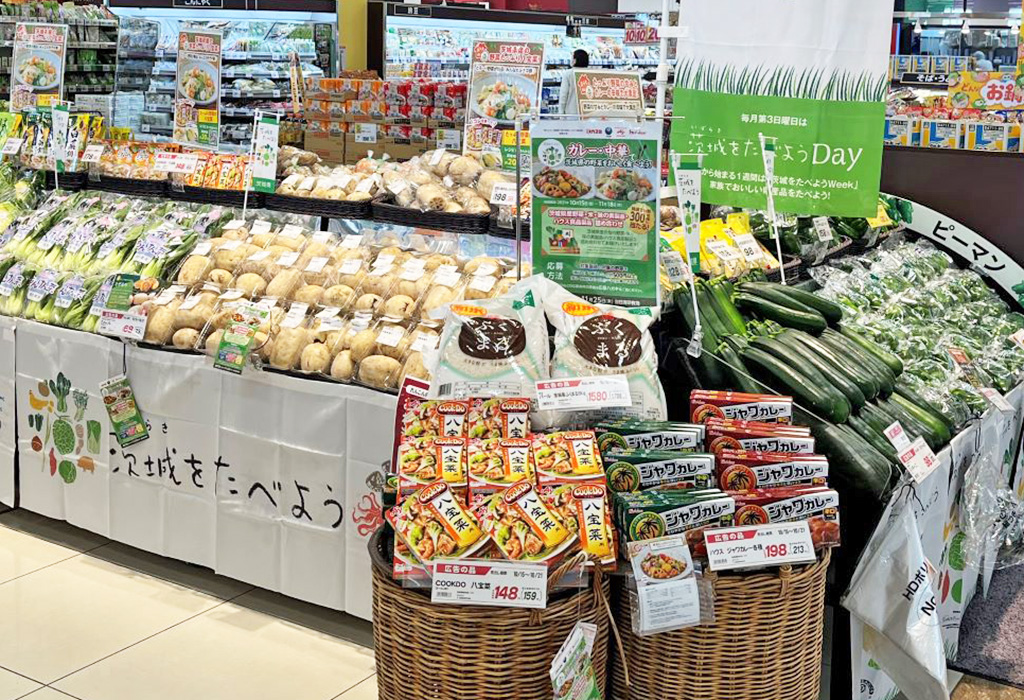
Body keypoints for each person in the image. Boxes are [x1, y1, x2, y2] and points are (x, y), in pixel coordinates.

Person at [558, 49, 590, 114]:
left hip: (572, 113)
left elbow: (563, 95)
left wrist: (561, 113)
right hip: (588, 112)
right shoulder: (591, 73)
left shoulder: (568, 74)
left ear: (575, 60)